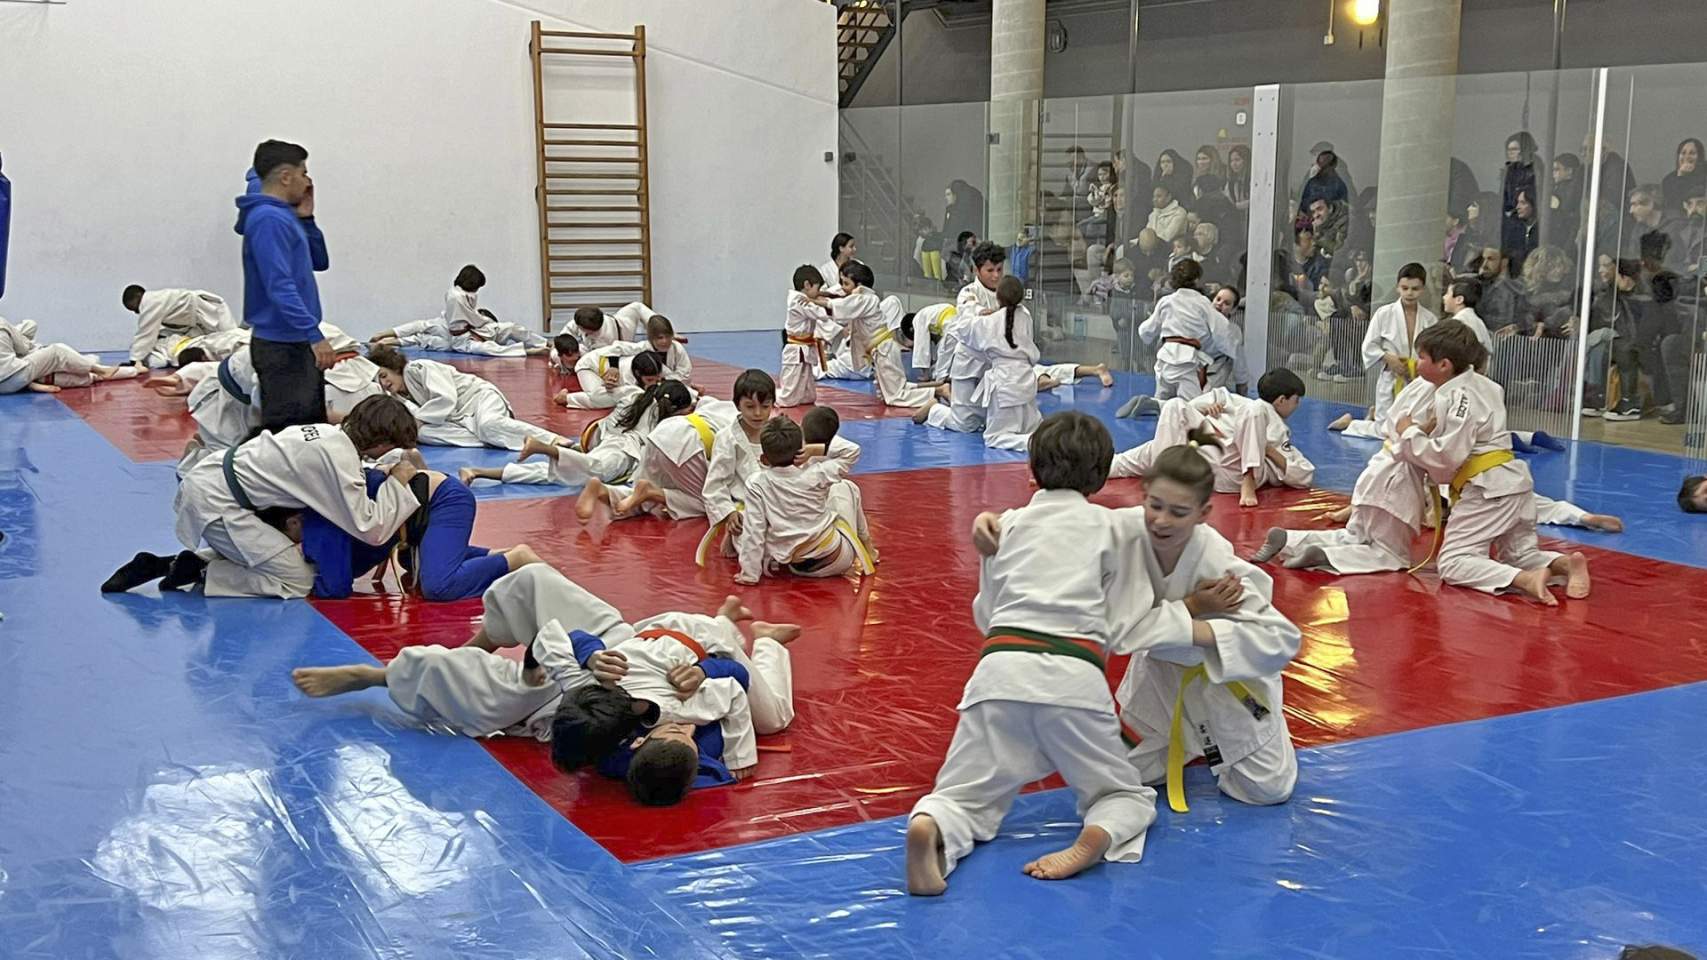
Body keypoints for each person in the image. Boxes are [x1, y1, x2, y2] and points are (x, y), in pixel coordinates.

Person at [907, 412, 1159, 895]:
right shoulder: (1114, 528)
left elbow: (988, 612)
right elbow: (1128, 618)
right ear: (1102, 474)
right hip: (1074, 678)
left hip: (998, 671)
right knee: (1123, 790)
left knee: (963, 792)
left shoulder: (1006, 526)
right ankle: (1095, 836)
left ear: (1033, 468)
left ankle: (935, 826)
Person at [290, 566, 798, 790]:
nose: (682, 731)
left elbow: (558, 649)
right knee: (773, 718)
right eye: (679, 733)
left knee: (486, 695)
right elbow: (729, 681)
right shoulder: (683, 712)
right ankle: (746, 630)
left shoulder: (641, 755)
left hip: (593, 674)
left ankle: (377, 676)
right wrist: (707, 671)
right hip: (649, 645)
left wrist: (563, 669)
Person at [105, 395, 420, 599]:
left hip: (215, 483)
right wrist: (398, 483)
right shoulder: (337, 458)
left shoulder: (327, 434)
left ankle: (178, 562)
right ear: (380, 443)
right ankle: (204, 571)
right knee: (298, 580)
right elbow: (370, 527)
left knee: (272, 554)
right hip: (219, 504)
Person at [1389, 321, 1590, 605]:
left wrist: (1409, 431)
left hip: (1488, 489)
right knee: (1519, 555)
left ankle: (1525, 580)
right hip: (1514, 484)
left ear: (1444, 365)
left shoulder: (1456, 396)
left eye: (1421, 357)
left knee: (1454, 561)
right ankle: (1564, 564)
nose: (1416, 363)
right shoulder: (1486, 385)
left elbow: (1446, 456)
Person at [265, 467, 537, 601]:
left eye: (293, 536)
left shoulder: (319, 514)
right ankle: (492, 555)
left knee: (438, 587)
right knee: (410, 566)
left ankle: (515, 560)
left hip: (444, 500)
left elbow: (336, 586)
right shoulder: (324, 499)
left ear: (294, 521)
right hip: (421, 520)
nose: (298, 544)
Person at [235, 139, 332, 432]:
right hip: (281, 345)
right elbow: (279, 285)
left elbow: (320, 262)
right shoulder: (268, 219)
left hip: (294, 342)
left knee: (309, 430)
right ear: (286, 176)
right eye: (303, 173)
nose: (307, 181)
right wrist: (314, 335)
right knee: (288, 436)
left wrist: (308, 218)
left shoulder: (285, 217)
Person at [734, 416, 875, 584]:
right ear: (801, 450)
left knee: (748, 523)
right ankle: (869, 549)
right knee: (847, 487)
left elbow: (754, 531)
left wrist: (749, 574)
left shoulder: (756, 483)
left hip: (797, 566)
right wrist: (814, 450)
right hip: (837, 559)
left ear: (763, 459)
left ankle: (764, 562)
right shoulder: (815, 474)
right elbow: (852, 450)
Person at [368, 346, 565, 451]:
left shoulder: (418, 368)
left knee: (488, 425)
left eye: (384, 375)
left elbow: (446, 399)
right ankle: (490, 439)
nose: (384, 383)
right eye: (379, 380)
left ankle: (553, 439)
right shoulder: (399, 396)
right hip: (461, 420)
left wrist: (417, 420)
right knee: (421, 434)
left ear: (394, 367)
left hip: (479, 399)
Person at [914, 241, 1004, 433]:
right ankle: (935, 410)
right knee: (964, 424)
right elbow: (971, 314)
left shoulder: (1006, 292)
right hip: (969, 364)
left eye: (999, 269)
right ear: (976, 270)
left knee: (997, 420)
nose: (996, 275)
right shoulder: (968, 293)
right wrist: (991, 315)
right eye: (990, 270)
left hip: (996, 363)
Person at [967, 276, 1040, 451]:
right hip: (1026, 379)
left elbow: (967, 335)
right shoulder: (1026, 316)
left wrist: (975, 309)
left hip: (1004, 383)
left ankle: (1030, 443)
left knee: (994, 437)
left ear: (997, 297)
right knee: (1030, 426)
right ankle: (1037, 439)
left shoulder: (989, 321)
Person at [1137, 259, 1224, 402]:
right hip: (1186, 361)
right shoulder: (1202, 302)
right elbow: (1220, 331)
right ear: (1197, 279)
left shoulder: (1166, 301)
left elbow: (1146, 331)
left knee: (1163, 399)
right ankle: (1157, 405)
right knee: (1192, 405)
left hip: (1164, 359)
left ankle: (1156, 404)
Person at [1231, 369, 1314, 507]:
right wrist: (1208, 408)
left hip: (1237, 472)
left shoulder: (1279, 431)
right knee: (1180, 406)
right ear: (1282, 400)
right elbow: (1211, 398)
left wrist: (1268, 449)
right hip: (1222, 457)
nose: (1297, 406)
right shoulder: (1247, 405)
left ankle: (1248, 477)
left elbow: (1306, 475)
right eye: (1296, 400)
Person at [557, 318, 681, 409]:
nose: (664, 342)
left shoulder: (653, 362)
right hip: (588, 366)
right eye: (649, 380)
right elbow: (616, 347)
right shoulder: (629, 377)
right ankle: (566, 398)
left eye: (667, 337)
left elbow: (673, 379)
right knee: (605, 398)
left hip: (610, 363)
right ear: (638, 374)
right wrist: (613, 369)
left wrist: (694, 393)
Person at [0, 319, 136, 394]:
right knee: (57, 352)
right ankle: (98, 370)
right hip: (15, 376)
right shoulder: (2, 322)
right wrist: (34, 349)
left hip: (3, 387)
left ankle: (32, 384)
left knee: (29, 328)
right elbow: (23, 347)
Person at [121, 286, 237, 368]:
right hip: (198, 321)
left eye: (133, 308)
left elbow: (145, 333)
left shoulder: (150, 302)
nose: (136, 312)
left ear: (137, 297)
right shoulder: (157, 301)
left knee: (234, 339)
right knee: (221, 345)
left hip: (210, 308)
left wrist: (134, 360)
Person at [867, 295, 937, 409]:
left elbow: (896, 393)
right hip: (878, 353)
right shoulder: (886, 343)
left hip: (884, 353)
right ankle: (937, 390)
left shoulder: (890, 344)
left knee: (895, 396)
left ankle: (937, 391)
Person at [780, 265, 834, 407]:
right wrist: (824, 302)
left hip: (805, 348)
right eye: (817, 288)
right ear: (807, 285)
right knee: (788, 398)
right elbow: (821, 314)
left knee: (809, 396)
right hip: (795, 349)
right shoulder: (798, 300)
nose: (818, 293)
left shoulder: (804, 299)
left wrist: (825, 297)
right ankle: (768, 397)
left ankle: (794, 396)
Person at [1662, 138, 1707, 217]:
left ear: (1699, 156)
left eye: (1692, 153)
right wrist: (1681, 176)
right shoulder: (1669, 179)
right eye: (1683, 153)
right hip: (1678, 220)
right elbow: (1672, 203)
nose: (1687, 157)